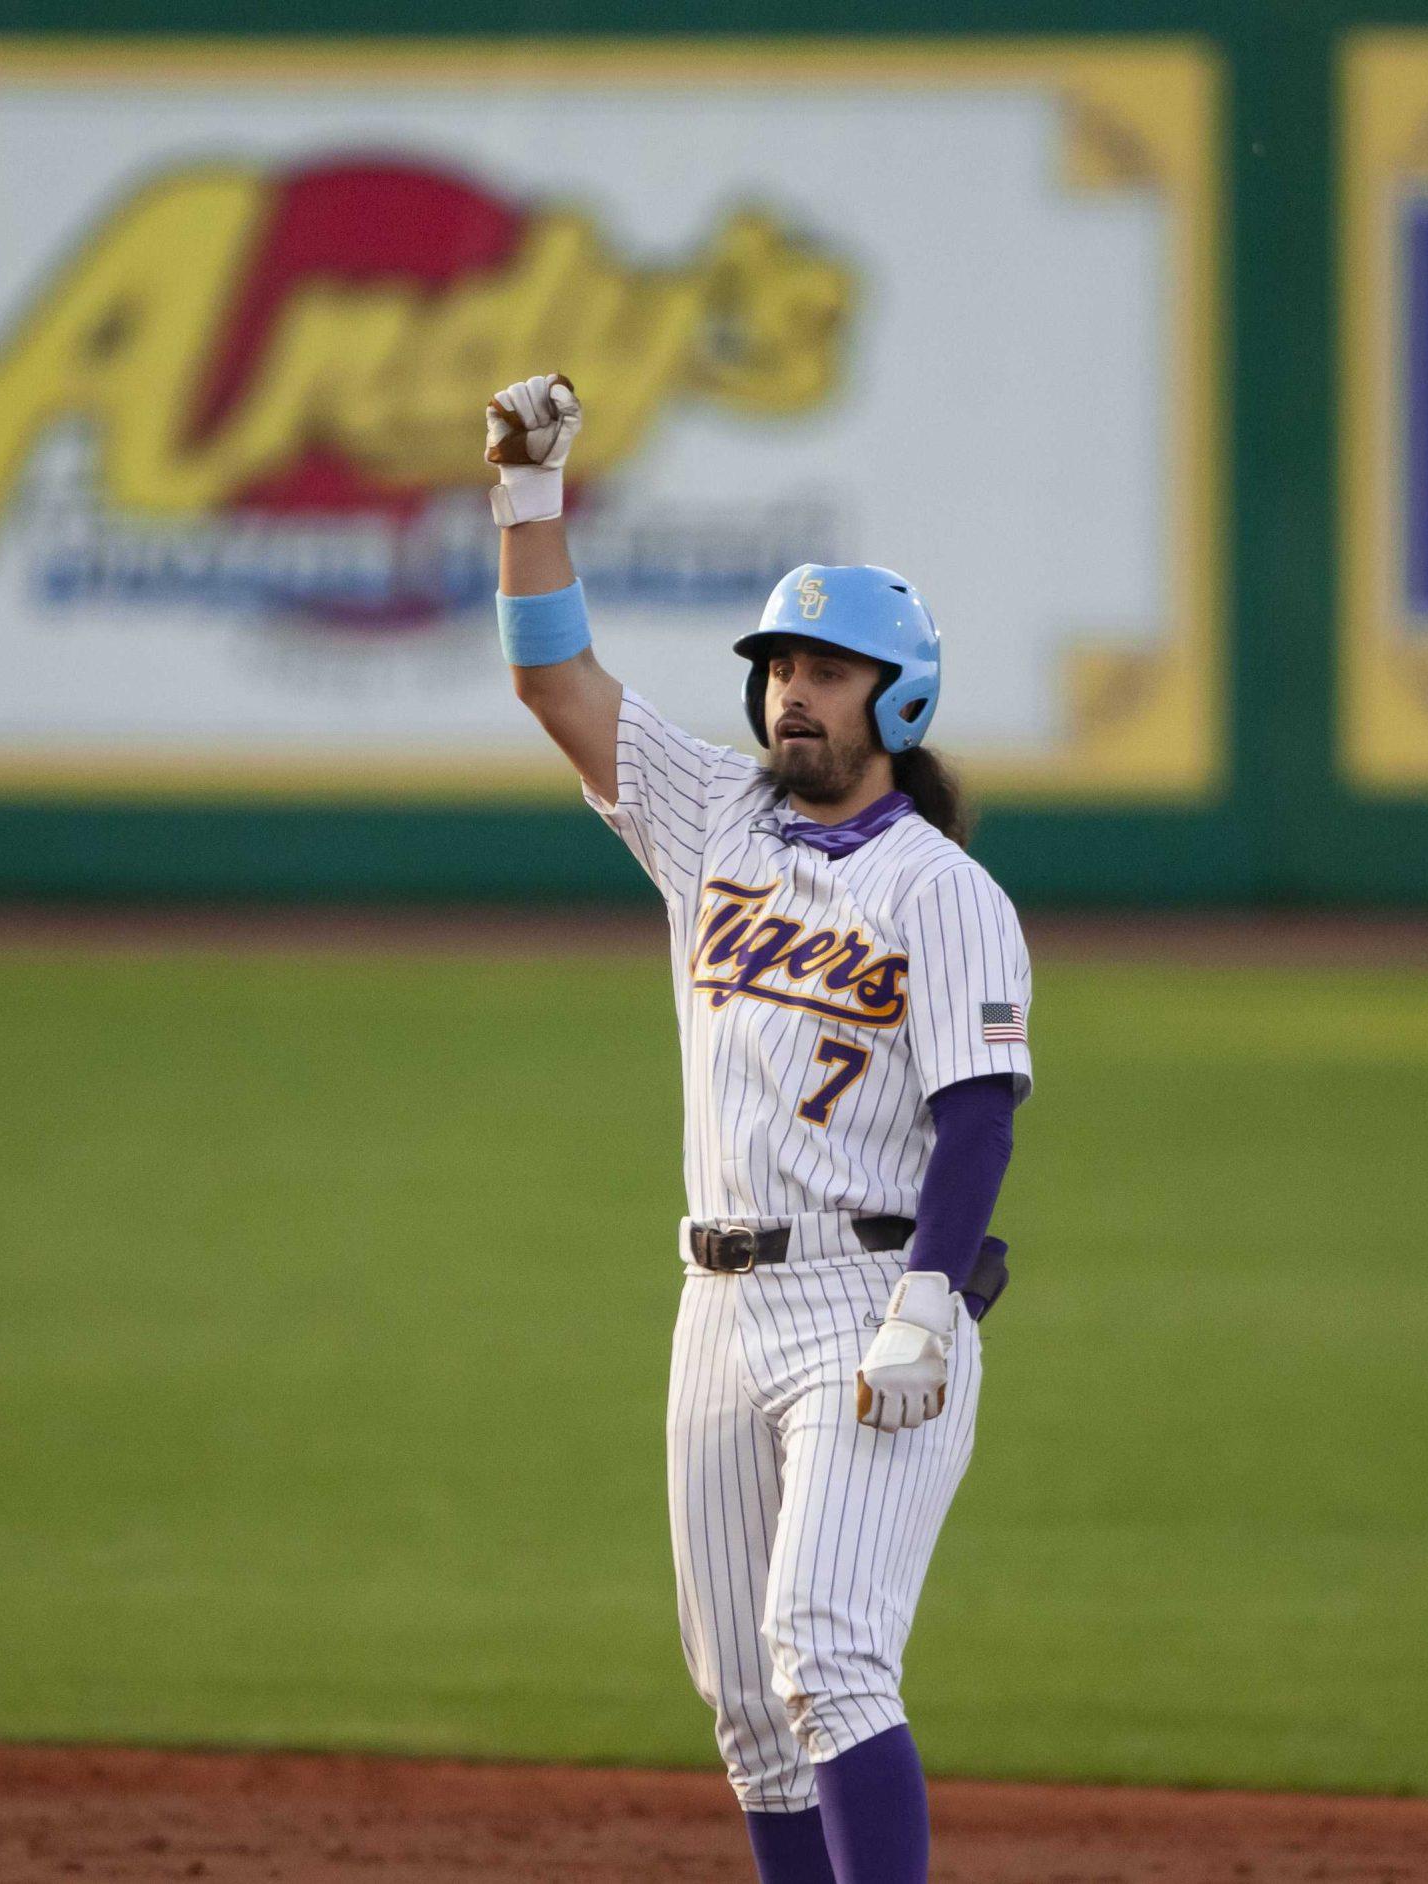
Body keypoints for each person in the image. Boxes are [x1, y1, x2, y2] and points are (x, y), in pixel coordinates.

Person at [485, 373, 1032, 1884]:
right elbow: (558, 683)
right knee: (744, 1702)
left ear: (899, 698)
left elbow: (977, 1111)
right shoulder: (714, 822)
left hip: (868, 1304)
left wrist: (929, 1296)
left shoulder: (942, 892)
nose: (796, 686)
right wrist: (529, 496)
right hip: (715, 1309)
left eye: (833, 668)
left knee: (827, 1654)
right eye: (783, 661)